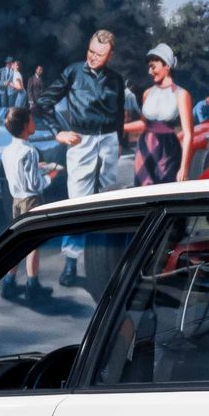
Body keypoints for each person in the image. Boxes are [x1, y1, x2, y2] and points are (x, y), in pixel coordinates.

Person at [38, 28, 129, 283]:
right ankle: (70, 263)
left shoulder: (116, 80)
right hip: (81, 141)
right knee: (77, 203)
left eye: (99, 54)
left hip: (109, 142)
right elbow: (43, 103)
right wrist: (58, 132)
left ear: (109, 56)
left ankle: (104, 263)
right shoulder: (73, 72)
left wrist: (118, 141)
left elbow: (120, 113)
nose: (92, 57)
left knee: (107, 200)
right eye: (90, 51)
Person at [0, 107, 63, 302]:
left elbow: (20, 174)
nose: (34, 123)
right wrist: (52, 175)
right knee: (32, 245)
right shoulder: (30, 151)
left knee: (17, 242)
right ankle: (32, 285)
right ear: (26, 126)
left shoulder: (7, 151)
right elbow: (35, 185)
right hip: (32, 201)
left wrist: (38, 167)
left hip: (16, 200)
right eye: (32, 121)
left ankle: (9, 282)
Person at [127, 44, 194, 187]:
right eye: (149, 67)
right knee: (143, 191)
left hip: (168, 150)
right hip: (145, 148)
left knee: (166, 190)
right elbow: (143, 124)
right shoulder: (147, 93)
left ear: (167, 66)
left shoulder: (181, 94)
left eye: (153, 67)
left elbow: (188, 134)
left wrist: (184, 167)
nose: (150, 71)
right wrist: (120, 127)